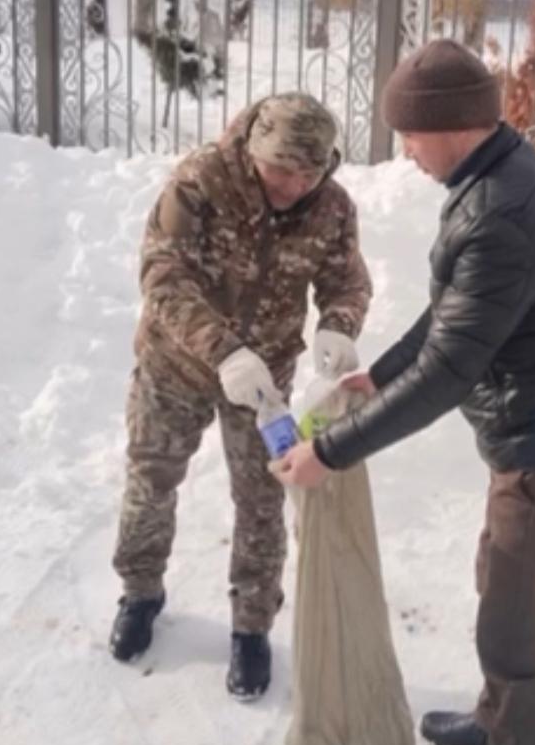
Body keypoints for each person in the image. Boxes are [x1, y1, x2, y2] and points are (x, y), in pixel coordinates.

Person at [274, 40, 535, 745]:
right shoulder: (496, 183)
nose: (404, 150)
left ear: (454, 127)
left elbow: (451, 371)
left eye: (410, 133)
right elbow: (454, 311)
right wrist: (380, 370)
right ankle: (489, 718)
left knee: (514, 639)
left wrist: (330, 451)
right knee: (496, 588)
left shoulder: (502, 212)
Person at [110, 93, 372, 701]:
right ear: (254, 150)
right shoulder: (200, 184)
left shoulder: (330, 207)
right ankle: (140, 592)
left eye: (309, 173)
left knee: (261, 497)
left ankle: (252, 625)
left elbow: (347, 279)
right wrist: (223, 350)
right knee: (152, 477)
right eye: (281, 169)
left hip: (266, 384)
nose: (293, 185)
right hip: (176, 363)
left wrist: (339, 322)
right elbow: (162, 278)